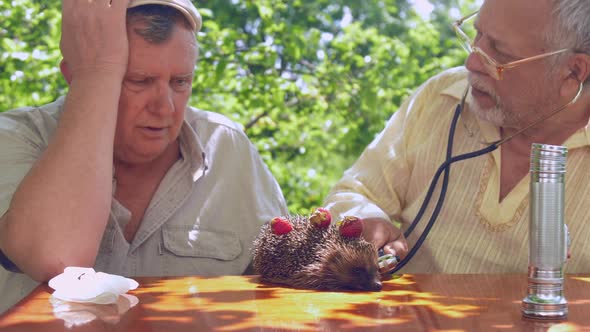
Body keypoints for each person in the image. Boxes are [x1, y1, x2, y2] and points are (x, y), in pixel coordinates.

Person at [0, 0, 287, 313]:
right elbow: (57, 257)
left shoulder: (227, 150)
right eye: (139, 81)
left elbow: (283, 290)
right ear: (74, 76)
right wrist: (97, 76)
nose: (164, 107)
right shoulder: (16, 138)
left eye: (180, 82)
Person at [324, 0, 590, 273]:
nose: (471, 62)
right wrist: (367, 220)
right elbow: (352, 194)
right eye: (477, 35)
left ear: (573, 72)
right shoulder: (443, 96)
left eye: (499, 52)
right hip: (402, 314)